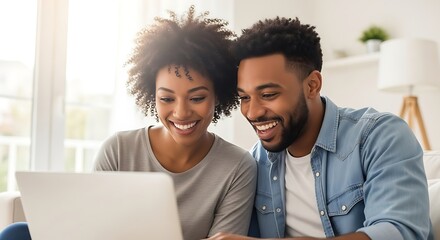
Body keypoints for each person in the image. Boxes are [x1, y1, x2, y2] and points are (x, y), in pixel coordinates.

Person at [0, 6, 256, 240]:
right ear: (151, 95)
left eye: (197, 97)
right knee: (16, 234)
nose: (181, 112)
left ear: (218, 94)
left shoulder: (237, 167)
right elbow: (93, 230)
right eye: (166, 98)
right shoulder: (118, 150)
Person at [207, 17, 433, 240]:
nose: (253, 112)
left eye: (268, 95)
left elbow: (400, 232)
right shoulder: (256, 162)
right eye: (244, 97)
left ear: (312, 85)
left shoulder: (380, 136)